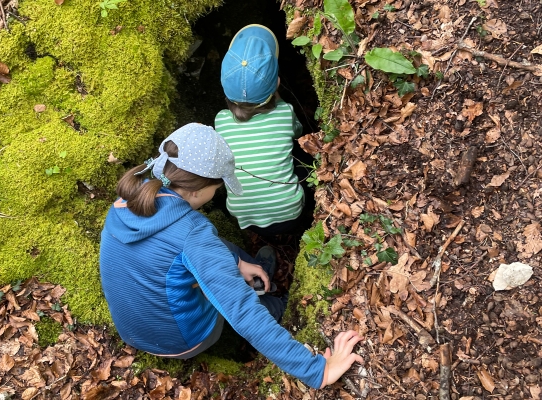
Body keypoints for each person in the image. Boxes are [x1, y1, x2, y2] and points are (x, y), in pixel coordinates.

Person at [99, 123, 363, 389]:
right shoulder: (194, 235)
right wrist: (318, 372)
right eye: (218, 187)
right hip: (181, 339)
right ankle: (278, 305)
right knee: (237, 294)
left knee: (216, 252)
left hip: (134, 329)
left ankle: (253, 268)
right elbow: (242, 312)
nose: (217, 192)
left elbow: (183, 246)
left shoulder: (127, 201)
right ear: (196, 191)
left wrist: (237, 263)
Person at [215, 24, 305, 237]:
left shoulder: (220, 121)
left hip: (246, 219)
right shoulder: (284, 112)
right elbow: (299, 135)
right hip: (291, 212)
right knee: (301, 159)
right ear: (278, 83)